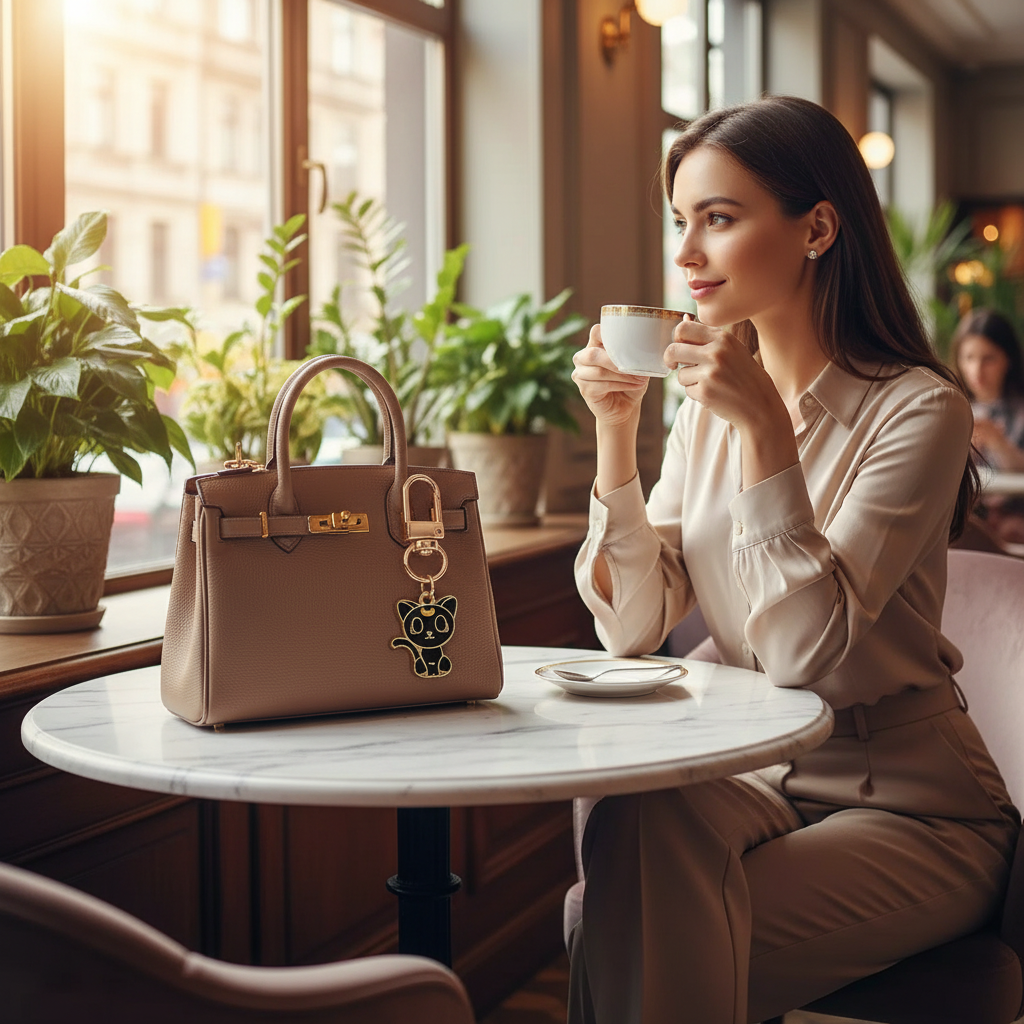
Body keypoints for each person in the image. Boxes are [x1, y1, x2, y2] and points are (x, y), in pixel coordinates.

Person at [568, 95, 1018, 1024]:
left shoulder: (921, 412)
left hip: (913, 807)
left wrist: (767, 429)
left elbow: (805, 655)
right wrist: (618, 434)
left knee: (637, 944)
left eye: (719, 220)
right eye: (680, 222)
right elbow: (635, 626)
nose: (686, 254)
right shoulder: (700, 411)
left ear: (816, 227)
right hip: (757, 776)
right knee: (634, 819)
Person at [952, 308, 1024, 543]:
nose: (977, 371)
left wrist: (996, 441)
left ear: (1008, 359)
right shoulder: (951, 408)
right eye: (969, 358)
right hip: (967, 518)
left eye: (988, 358)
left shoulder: (1019, 411)